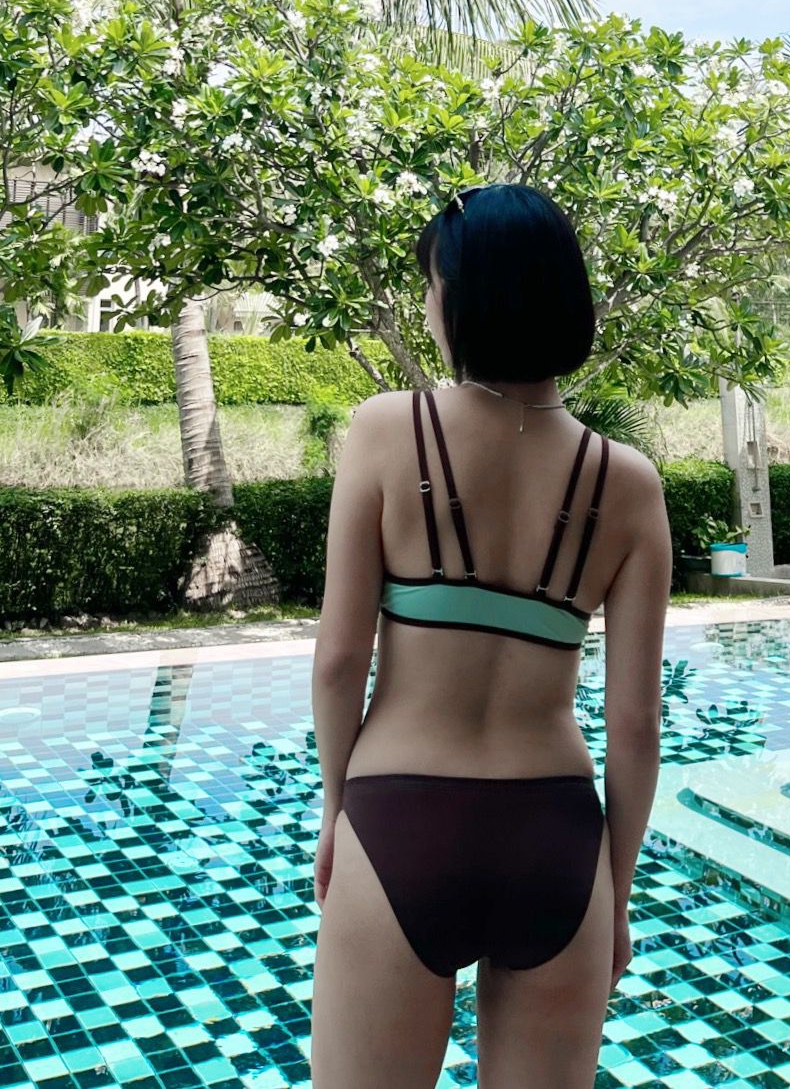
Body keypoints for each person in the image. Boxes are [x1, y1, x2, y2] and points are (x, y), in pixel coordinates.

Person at [308, 181, 672, 1088]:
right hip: (555, 838)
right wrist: (614, 892)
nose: (428, 305)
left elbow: (341, 654)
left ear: (464, 298)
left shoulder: (387, 430)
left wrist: (333, 811)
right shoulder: (629, 484)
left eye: (432, 283)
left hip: (402, 822)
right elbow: (634, 724)